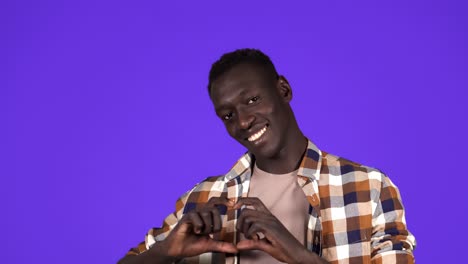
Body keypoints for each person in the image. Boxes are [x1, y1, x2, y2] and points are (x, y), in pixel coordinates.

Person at [117, 49, 416, 264]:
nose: (243, 121)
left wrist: (297, 255)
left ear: (283, 90)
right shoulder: (204, 198)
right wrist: (166, 252)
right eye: (228, 114)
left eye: (252, 100)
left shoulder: (368, 187)